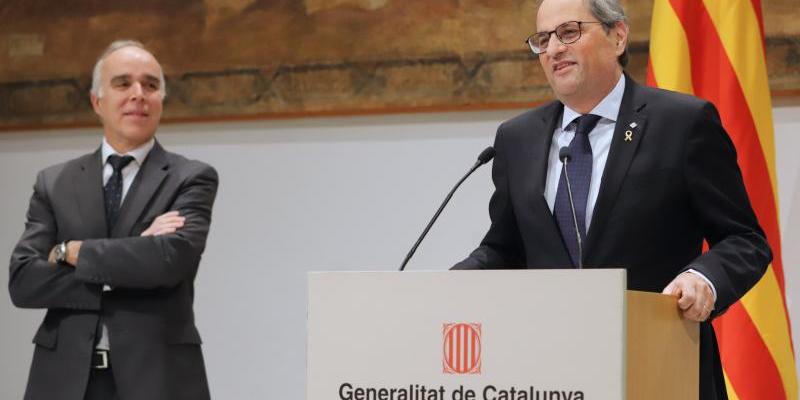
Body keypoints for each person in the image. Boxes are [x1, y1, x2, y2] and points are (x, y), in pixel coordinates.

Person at [453, 0, 770, 399]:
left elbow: (745, 240)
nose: (553, 49)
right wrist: (452, 283)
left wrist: (702, 279)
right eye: (542, 40)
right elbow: (505, 248)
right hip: (552, 373)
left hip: (660, 366)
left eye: (569, 32)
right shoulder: (518, 138)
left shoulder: (682, 123)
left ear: (618, 36)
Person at [9, 40, 218, 400]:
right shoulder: (54, 182)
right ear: (97, 102)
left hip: (158, 380)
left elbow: (168, 263)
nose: (139, 94)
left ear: (161, 101)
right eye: (123, 83)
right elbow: (24, 281)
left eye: (151, 85)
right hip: (63, 381)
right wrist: (134, 253)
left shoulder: (191, 177)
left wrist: (68, 251)